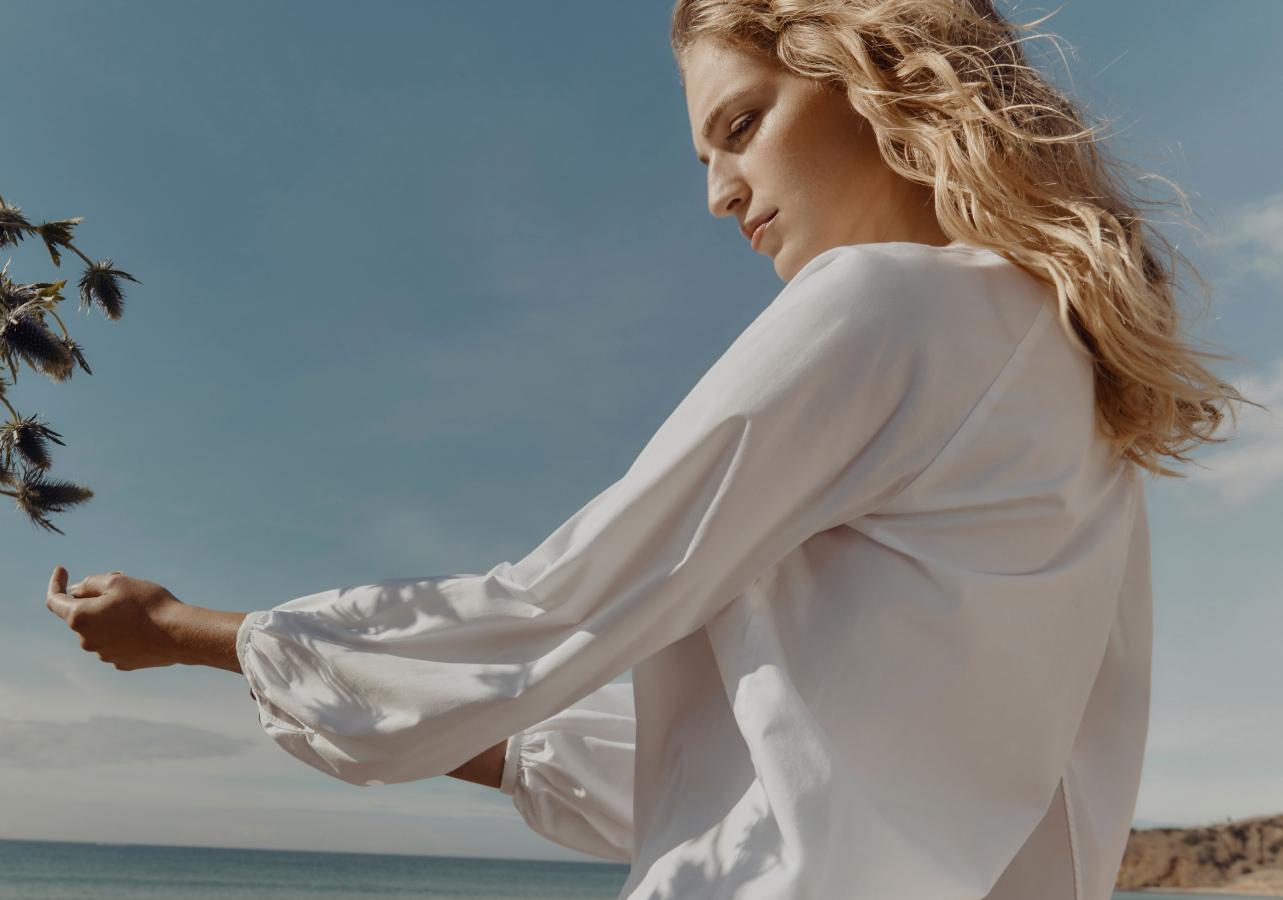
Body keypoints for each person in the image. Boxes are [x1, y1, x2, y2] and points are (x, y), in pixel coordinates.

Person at [44, 1, 1241, 897]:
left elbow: (553, 611)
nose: (720, 194)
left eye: (741, 125)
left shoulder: (883, 303)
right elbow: (741, 774)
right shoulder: (1071, 400)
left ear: (876, 76)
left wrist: (194, 632)